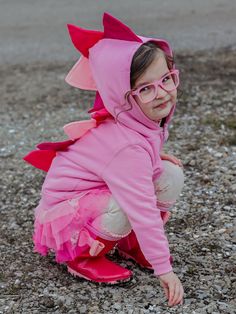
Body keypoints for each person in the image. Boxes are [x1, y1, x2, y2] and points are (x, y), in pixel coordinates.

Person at [24, 12, 185, 307]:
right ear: (122, 97)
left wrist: (154, 156)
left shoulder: (142, 122)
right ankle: (82, 257)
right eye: (145, 88)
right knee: (126, 206)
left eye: (166, 79)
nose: (162, 93)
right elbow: (142, 207)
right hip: (65, 220)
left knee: (170, 173)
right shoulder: (127, 148)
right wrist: (166, 270)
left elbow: (127, 156)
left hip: (93, 194)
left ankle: (130, 243)